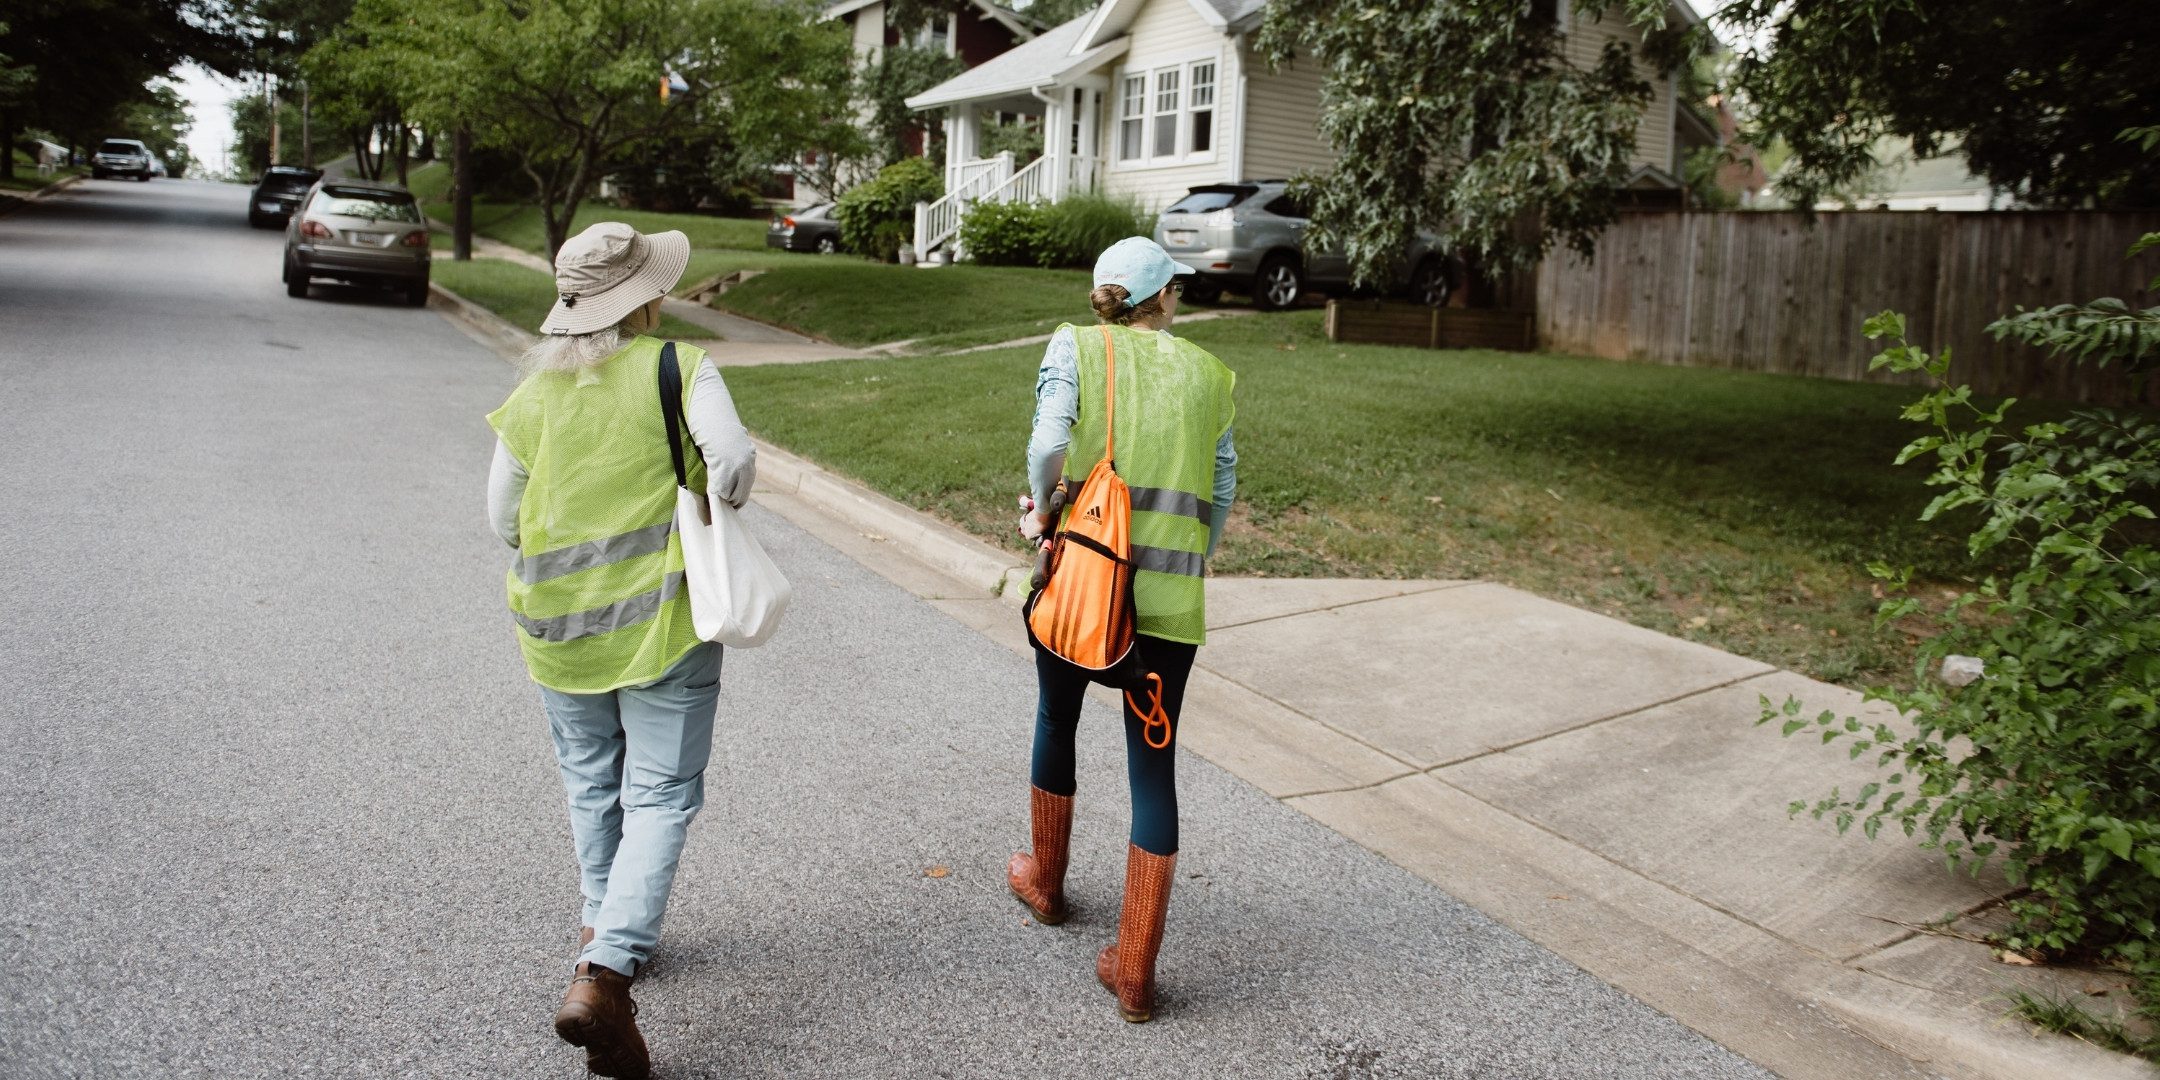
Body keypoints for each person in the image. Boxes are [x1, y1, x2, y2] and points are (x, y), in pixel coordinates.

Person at [484, 221, 755, 1079]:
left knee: (590, 779)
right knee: (663, 791)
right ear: (646, 298)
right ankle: (606, 974)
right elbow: (735, 464)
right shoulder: (678, 368)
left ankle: (607, 926)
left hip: (555, 628)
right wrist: (705, 495)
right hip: (664, 623)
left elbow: (501, 519)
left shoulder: (531, 395)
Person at [1006, 236, 1237, 1023]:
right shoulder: (1210, 373)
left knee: (1056, 718)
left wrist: (1043, 514)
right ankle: (1133, 971)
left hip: (1082, 589)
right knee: (1153, 766)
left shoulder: (1078, 346)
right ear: (1166, 295)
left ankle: (1045, 883)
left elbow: (1046, 443)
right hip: (1169, 611)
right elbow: (1225, 480)